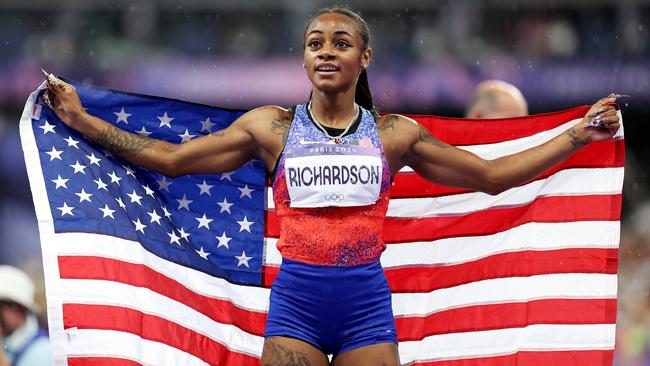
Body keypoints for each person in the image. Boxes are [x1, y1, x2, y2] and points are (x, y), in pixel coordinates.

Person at [43, 6, 621, 366]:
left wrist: (579, 135)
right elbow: (171, 159)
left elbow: (492, 179)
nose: (326, 51)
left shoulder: (395, 136)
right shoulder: (271, 127)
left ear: (363, 58)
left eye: (340, 43)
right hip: (297, 305)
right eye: (315, 43)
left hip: (365, 306)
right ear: (303, 58)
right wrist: (81, 121)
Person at [0, 265, 51, 366]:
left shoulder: (43, 352)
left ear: (25, 310)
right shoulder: (7, 341)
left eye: (9, 305)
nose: (2, 312)